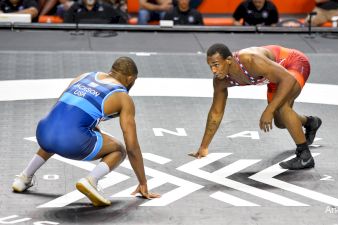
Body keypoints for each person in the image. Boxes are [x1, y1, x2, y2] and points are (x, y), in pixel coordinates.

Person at [12, 57, 160, 206]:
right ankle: (91, 180)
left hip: (43, 132)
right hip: (71, 142)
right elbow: (132, 147)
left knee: (58, 128)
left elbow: (61, 111)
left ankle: (24, 177)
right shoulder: (122, 97)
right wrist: (143, 182)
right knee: (120, 149)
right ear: (130, 78)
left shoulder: (85, 76)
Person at [189, 44, 322, 170]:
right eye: (210, 66)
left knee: (282, 107)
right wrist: (204, 146)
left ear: (229, 60)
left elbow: (287, 79)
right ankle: (310, 122)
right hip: (275, 76)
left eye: (216, 65)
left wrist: (269, 110)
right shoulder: (220, 81)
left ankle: (305, 156)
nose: (214, 70)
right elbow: (216, 113)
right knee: (281, 122)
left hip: (293, 64)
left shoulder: (250, 60)